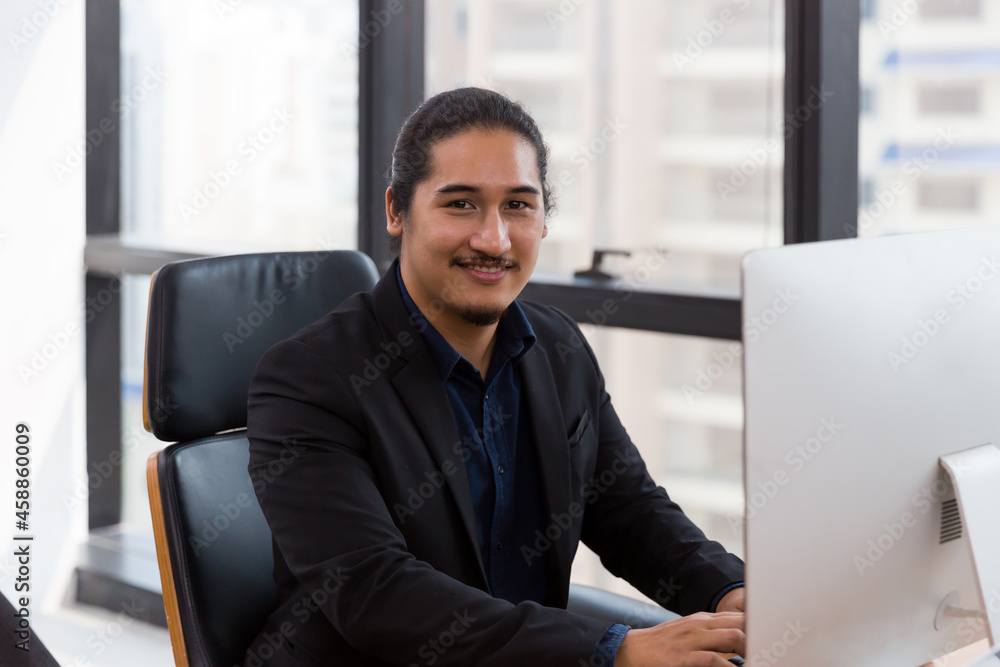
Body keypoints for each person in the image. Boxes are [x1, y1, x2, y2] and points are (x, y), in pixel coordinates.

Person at [244, 87, 745, 667]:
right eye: (460, 204)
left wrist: (733, 596)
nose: (494, 239)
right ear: (396, 211)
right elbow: (374, 591)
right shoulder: (307, 378)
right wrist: (614, 652)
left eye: (518, 206)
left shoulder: (558, 347)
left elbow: (629, 510)